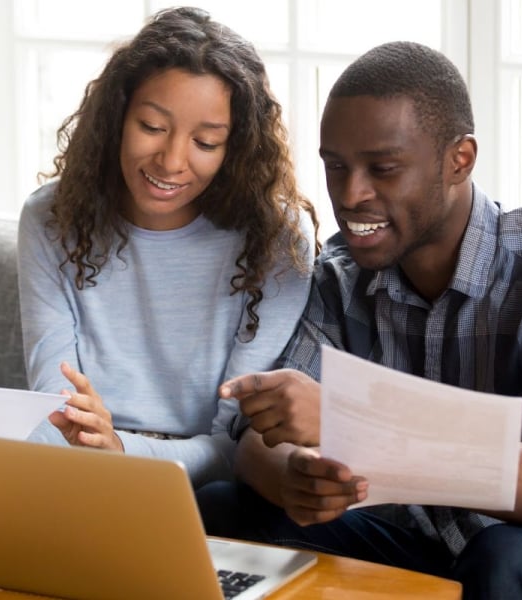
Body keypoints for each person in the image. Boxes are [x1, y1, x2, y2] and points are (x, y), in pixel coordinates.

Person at [197, 41, 522, 598]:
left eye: (383, 169)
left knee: (504, 555)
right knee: (224, 509)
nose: (351, 195)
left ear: (460, 160)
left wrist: (356, 424)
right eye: (336, 167)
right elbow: (259, 442)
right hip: (430, 556)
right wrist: (297, 479)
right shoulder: (338, 275)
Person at [17, 7, 318, 489]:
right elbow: (54, 407)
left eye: (205, 141)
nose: (172, 160)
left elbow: (233, 446)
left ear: (234, 148)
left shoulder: (278, 239)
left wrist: (118, 449)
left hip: (199, 485)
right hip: (75, 469)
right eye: (152, 128)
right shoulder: (51, 217)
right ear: (117, 118)